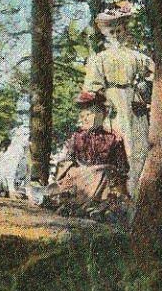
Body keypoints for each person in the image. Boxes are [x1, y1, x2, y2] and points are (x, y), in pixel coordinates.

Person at [82, 0, 155, 194]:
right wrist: (101, 105)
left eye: (119, 31)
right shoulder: (100, 58)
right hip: (111, 103)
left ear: (125, 30)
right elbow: (91, 88)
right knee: (114, 147)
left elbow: (155, 75)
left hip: (133, 102)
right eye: (112, 32)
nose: (116, 35)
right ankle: (113, 194)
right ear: (106, 34)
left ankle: (136, 192)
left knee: (137, 147)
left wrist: (144, 89)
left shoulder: (137, 56)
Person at [43, 91, 130, 220]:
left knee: (106, 173)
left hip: (104, 183)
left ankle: (97, 209)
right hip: (81, 180)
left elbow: (123, 169)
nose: (84, 118)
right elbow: (65, 163)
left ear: (102, 115)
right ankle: (89, 208)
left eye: (89, 114)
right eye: (83, 115)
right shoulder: (76, 136)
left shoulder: (113, 138)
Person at [0, 95, 32, 198]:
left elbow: (28, 173)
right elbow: (10, 171)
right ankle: (5, 191)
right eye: (25, 135)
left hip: (14, 183)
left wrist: (29, 193)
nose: (27, 139)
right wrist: (11, 190)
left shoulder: (25, 150)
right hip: (2, 181)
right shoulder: (16, 148)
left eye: (28, 136)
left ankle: (8, 191)